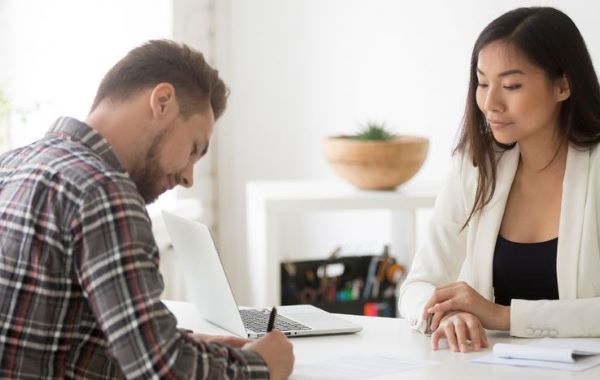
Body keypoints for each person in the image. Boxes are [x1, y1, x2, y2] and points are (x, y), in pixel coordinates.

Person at [0, 40, 294, 379]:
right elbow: (161, 372)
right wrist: (261, 366)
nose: (188, 177)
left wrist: (179, 345)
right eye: (194, 148)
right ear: (163, 101)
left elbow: (62, 339)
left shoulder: (12, 165)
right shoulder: (103, 193)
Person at [399, 6, 600, 353]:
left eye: (511, 85)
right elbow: (418, 284)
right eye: (482, 82)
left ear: (563, 86)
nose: (490, 103)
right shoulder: (476, 167)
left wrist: (502, 316)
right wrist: (445, 316)